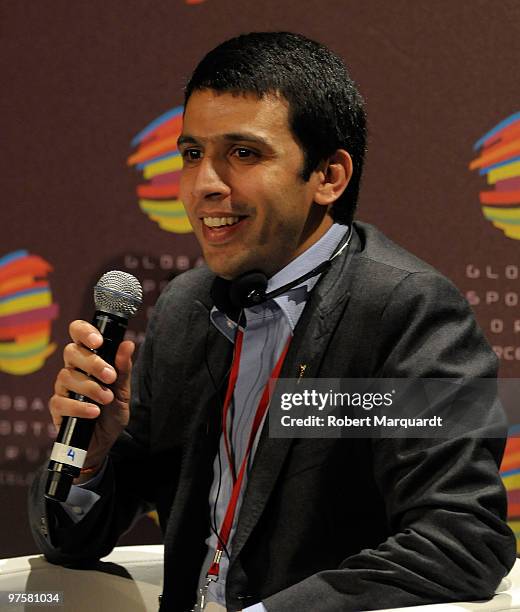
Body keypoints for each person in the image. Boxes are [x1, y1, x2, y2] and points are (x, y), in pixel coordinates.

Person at [29, 32, 515, 612]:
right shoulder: (185, 307)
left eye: (243, 154)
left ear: (328, 176)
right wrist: (89, 460)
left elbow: (461, 540)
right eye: (191, 154)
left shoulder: (407, 310)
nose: (205, 185)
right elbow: (76, 539)